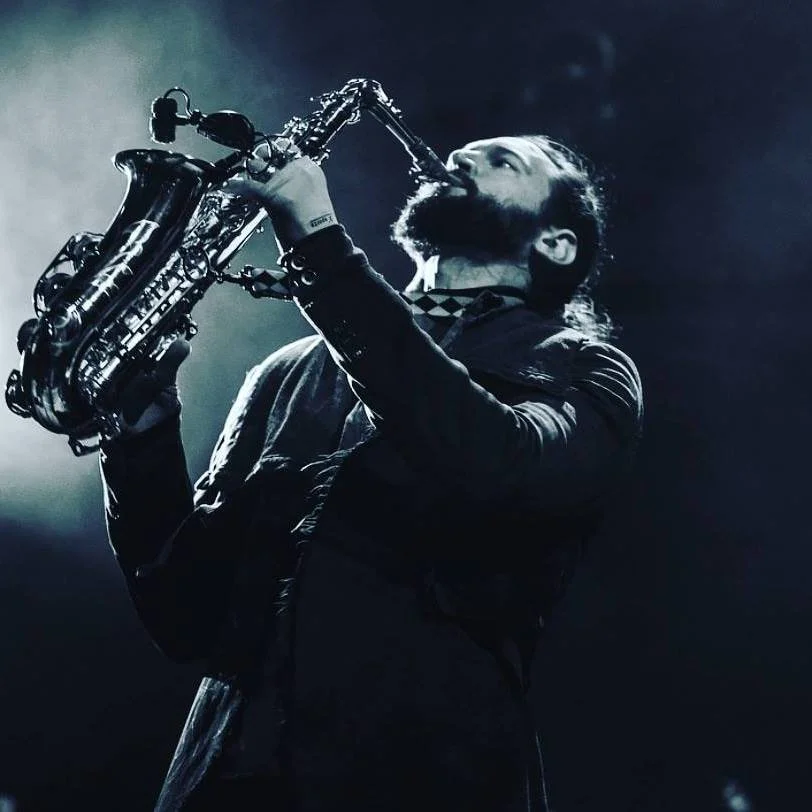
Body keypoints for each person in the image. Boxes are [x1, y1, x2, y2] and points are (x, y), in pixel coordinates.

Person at [99, 134, 643, 812]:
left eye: (503, 162)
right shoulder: (288, 371)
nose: (462, 159)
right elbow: (183, 616)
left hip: (422, 777)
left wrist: (319, 246)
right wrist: (142, 437)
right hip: (226, 781)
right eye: (465, 153)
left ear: (556, 243)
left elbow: (493, 463)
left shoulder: (581, 365)